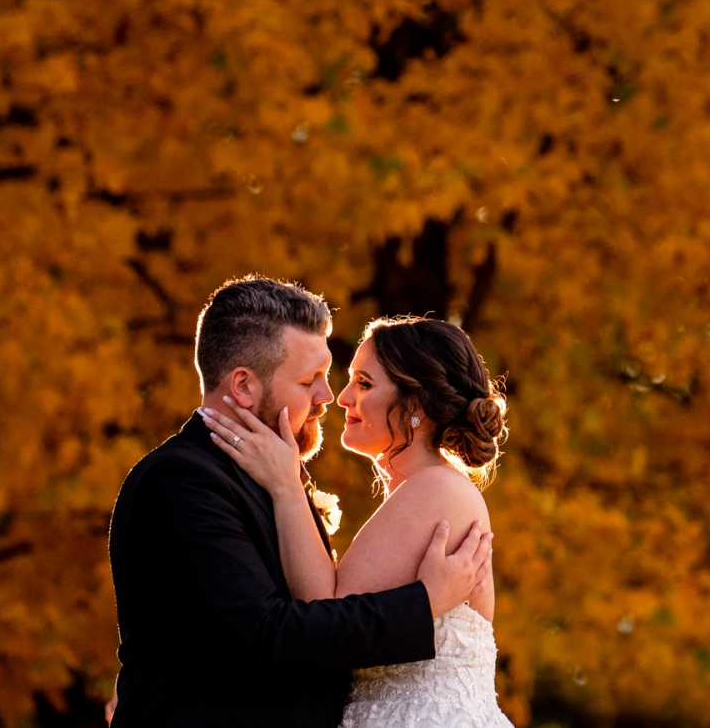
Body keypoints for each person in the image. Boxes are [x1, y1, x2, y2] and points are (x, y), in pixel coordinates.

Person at [107, 278, 493, 728]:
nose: (328, 398)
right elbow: (272, 636)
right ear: (244, 386)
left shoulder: (278, 478)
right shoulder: (183, 480)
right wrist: (424, 603)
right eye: (310, 380)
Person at [201, 314, 513, 728]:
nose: (341, 397)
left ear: (415, 407)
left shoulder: (435, 488)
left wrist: (286, 485)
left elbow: (326, 614)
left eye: (364, 384)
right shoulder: (425, 491)